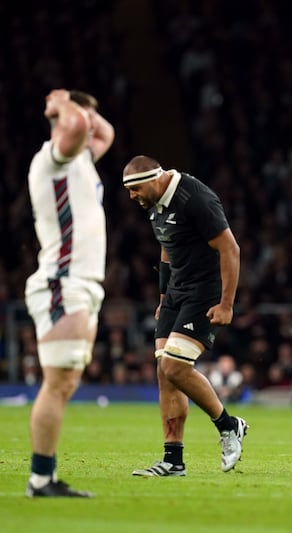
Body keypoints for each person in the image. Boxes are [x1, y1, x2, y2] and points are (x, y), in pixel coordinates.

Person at [123, 155, 248, 477]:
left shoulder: (195, 198)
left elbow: (230, 249)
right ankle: (173, 460)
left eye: (135, 190)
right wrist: (164, 296)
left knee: (174, 365)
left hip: (204, 292)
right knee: (165, 373)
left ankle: (229, 425)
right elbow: (168, 246)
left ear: (153, 179)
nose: (132, 197)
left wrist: (226, 304)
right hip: (177, 293)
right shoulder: (155, 202)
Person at [24, 89, 115, 497]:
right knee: (58, 381)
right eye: (84, 116)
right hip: (64, 280)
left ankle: (44, 477)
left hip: (80, 283)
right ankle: (41, 478)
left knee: (65, 381)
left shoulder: (80, 161)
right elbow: (78, 126)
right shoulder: (53, 159)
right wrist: (60, 104)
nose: (90, 123)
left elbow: (102, 133)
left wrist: (82, 112)